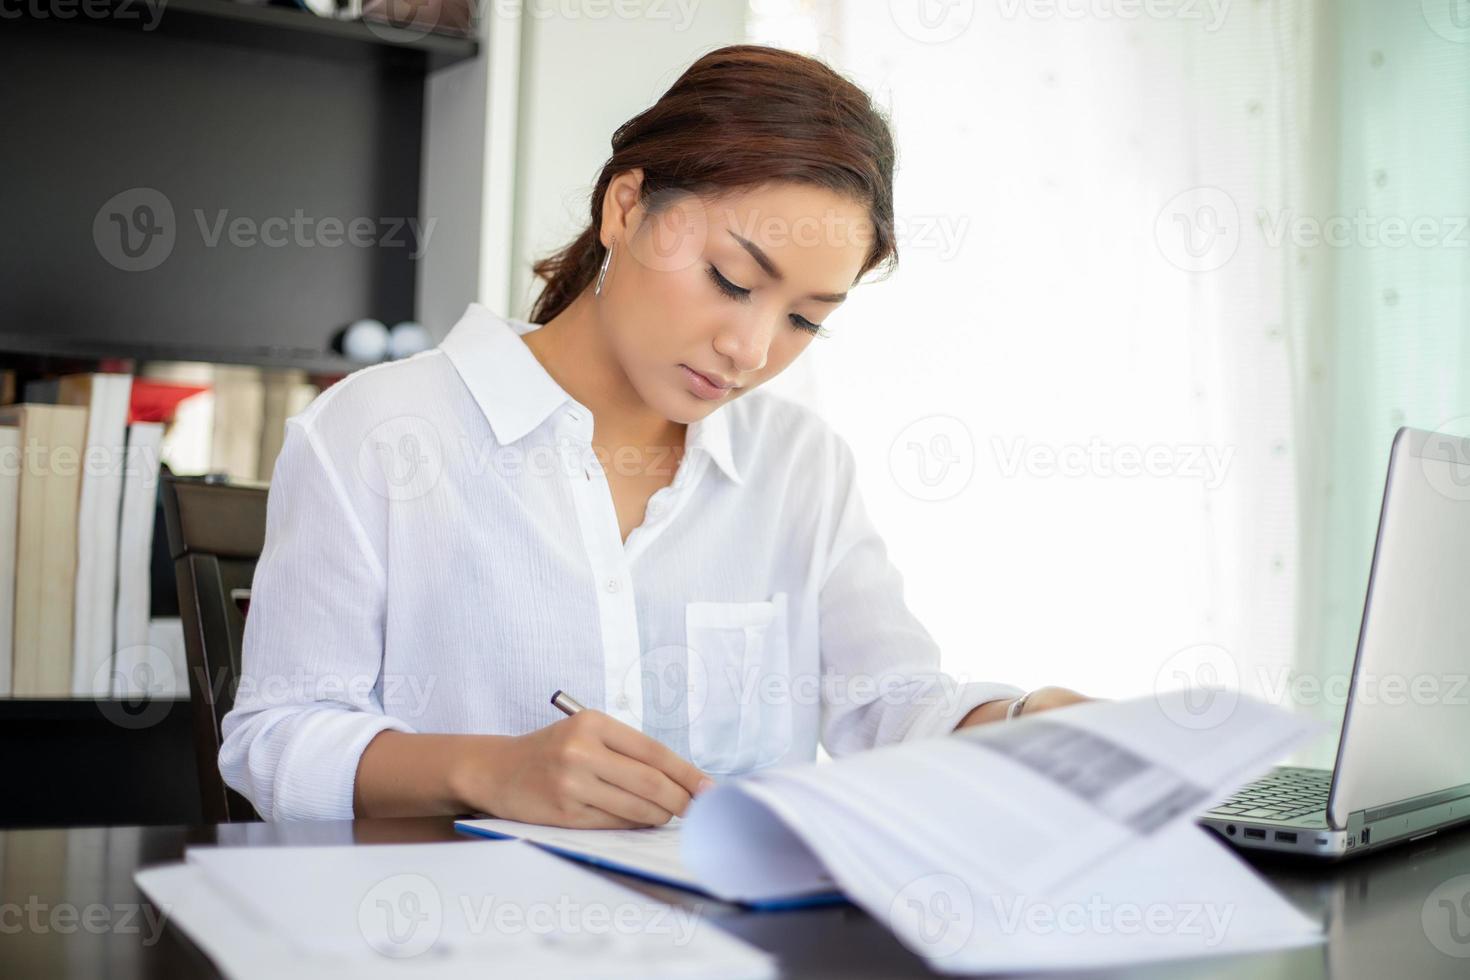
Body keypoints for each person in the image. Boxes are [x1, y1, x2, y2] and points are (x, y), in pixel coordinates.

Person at [219, 44, 1087, 826]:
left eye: (805, 321)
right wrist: (491, 771)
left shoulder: (798, 467)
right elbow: (275, 738)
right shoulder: (378, 433)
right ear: (627, 209)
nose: (749, 350)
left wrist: (1019, 724)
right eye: (731, 279)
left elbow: (889, 706)